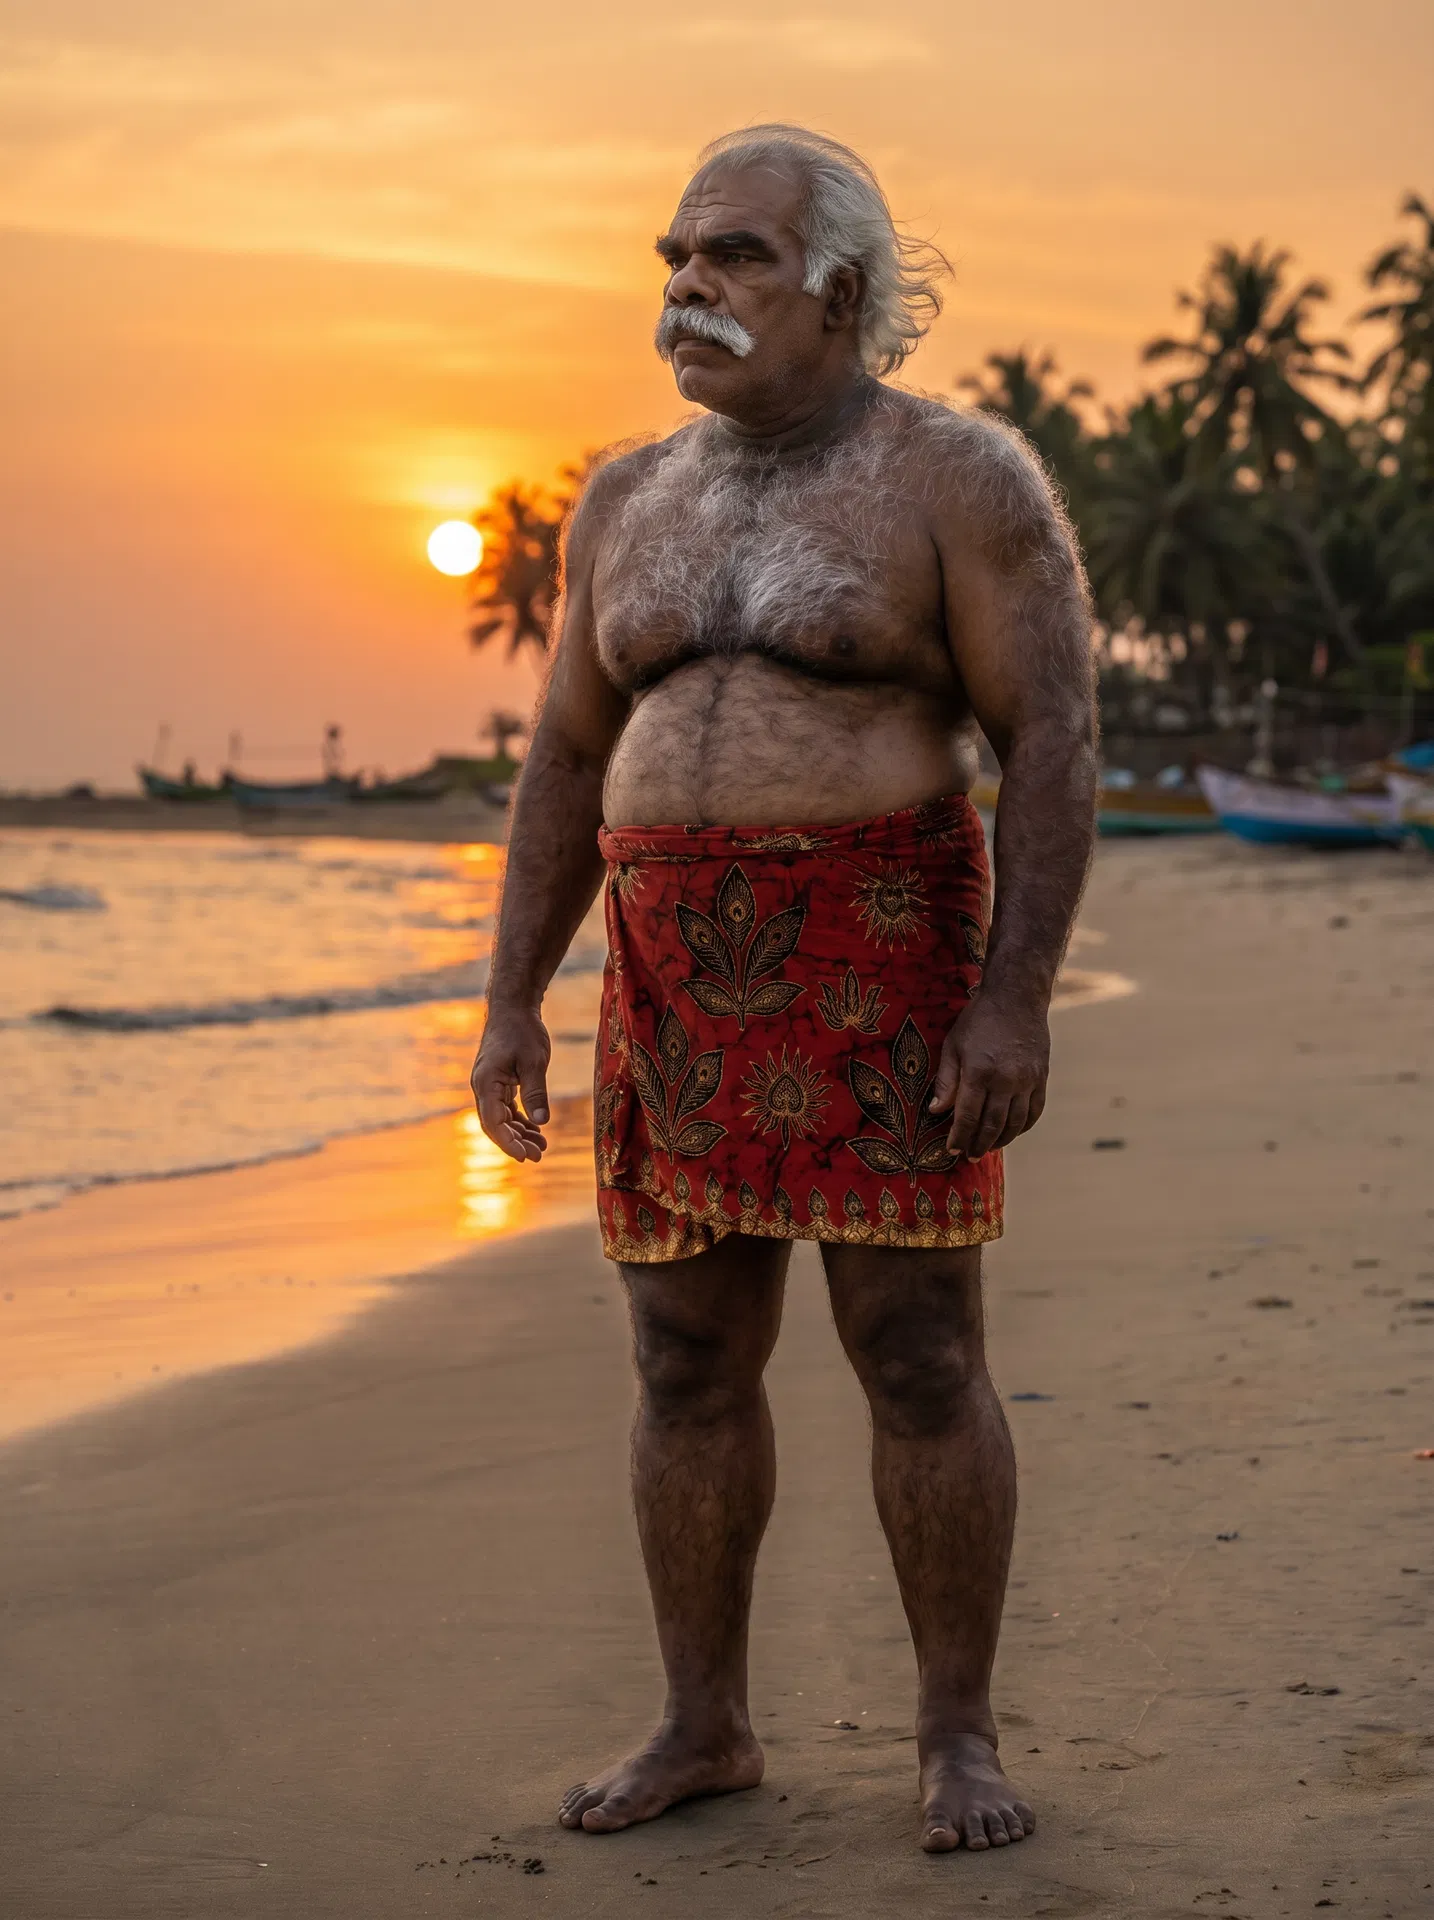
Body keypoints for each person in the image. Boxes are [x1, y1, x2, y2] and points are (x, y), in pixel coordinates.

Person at [472, 124, 1098, 1855]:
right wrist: (515, 994)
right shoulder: (624, 498)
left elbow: (1049, 742)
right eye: (673, 257)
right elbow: (562, 762)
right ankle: (703, 1720)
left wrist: (1012, 1000)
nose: (688, 287)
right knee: (680, 1358)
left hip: (883, 959)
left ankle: (954, 1736)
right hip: (668, 983)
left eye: (732, 255)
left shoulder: (955, 480)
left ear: (838, 287)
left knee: (914, 1352)